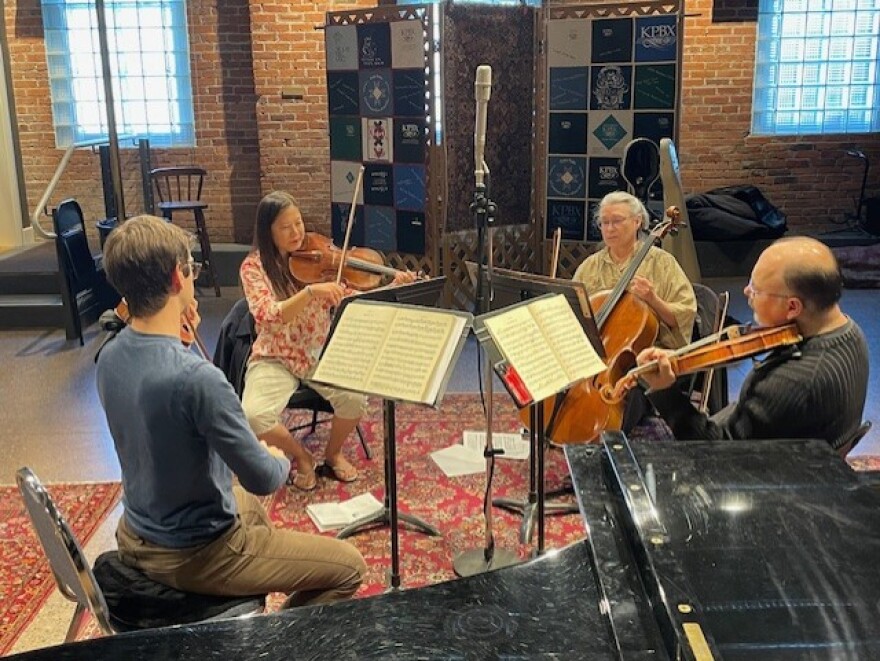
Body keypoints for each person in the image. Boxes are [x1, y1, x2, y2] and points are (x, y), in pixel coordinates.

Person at [96, 215, 366, 607]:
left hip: (136, 532)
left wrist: (179, 342)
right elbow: (261, 478)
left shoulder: (109, 357)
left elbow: (162, 414)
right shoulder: (198, 379)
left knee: (250, 511)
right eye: (191, 268)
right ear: (177, 278)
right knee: (350, 567)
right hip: (195, 553)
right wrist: (281, 458)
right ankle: (272, 643)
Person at [240, 191, 414, 490]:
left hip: (318, 352)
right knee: (253, 416)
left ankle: (332, 454)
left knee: (355, 400)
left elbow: (353, 298)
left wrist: (391, 285)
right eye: (286, 227)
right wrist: (310, 292)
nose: (297, 232)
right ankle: (302, 456)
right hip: (274, 356)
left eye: (299, 223)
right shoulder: (253, 267)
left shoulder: (320, 260)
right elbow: (268, 314)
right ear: (268, 231)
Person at [637, 237, 869, 449]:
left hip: (775, 475)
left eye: (756, 289)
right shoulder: (848, 331)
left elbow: (714, 451)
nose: (746, 291)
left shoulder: (792, 382)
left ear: (792, 307)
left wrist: (665, 392)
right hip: (805, 444)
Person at [573, 190, 697, 350]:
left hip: (650, 353)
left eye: (617, 221)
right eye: (604, 222)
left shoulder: (662, 263)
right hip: (601, 350)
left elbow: (684, 315)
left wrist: (653, 299)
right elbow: (572, 314)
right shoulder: (589, 267)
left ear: (637, 222)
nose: (609, 229)